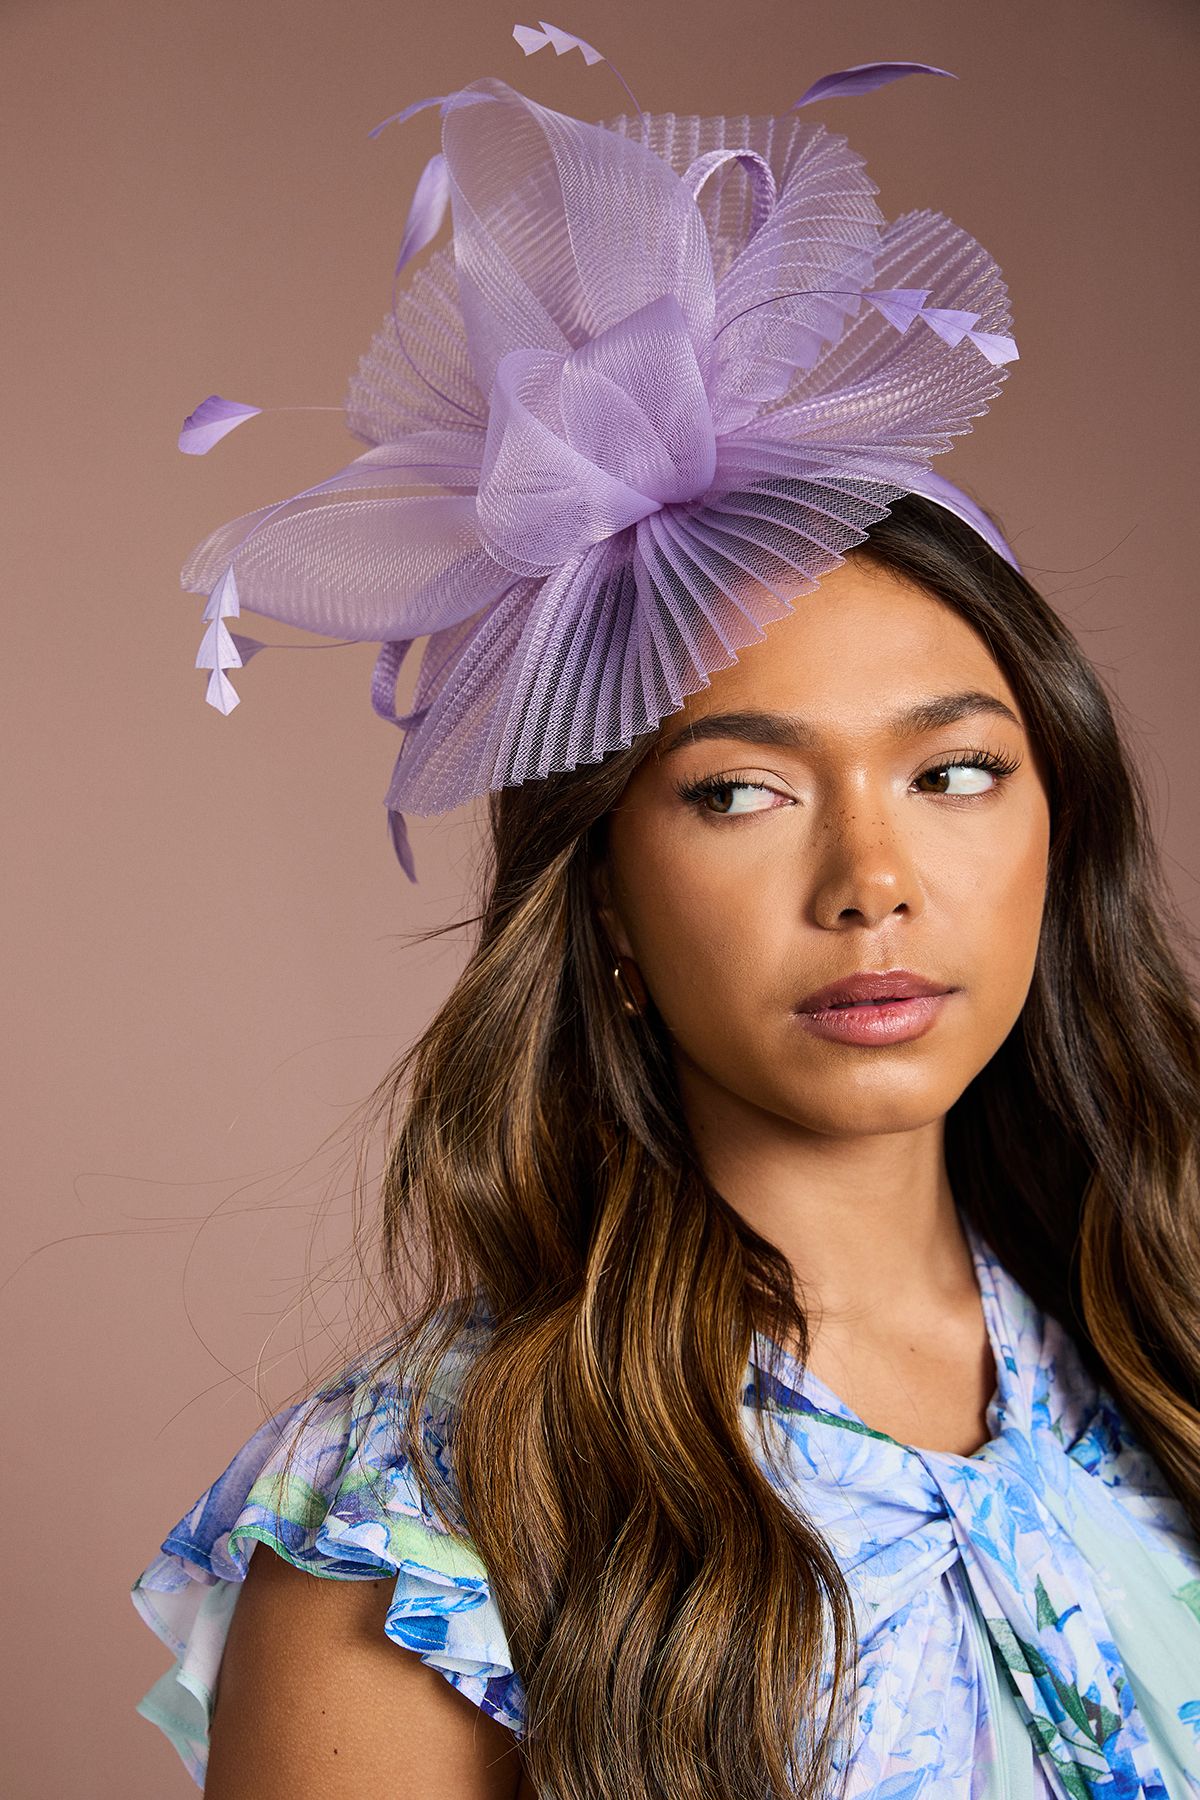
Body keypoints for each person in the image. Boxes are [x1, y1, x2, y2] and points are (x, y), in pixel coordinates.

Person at [131, 25, 1200, 1800]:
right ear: (606, 903)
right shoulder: (424, 1525)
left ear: (1056, 832)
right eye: (740, 792)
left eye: (953, 774)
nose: (872, 880)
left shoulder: (1154, 1339)